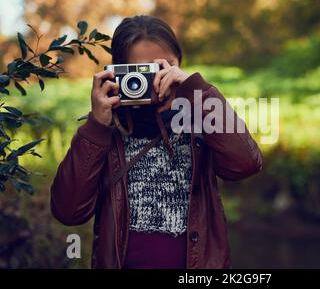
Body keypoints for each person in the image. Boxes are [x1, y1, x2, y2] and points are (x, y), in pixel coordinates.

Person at [50, 15, 263, 269]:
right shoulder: (106, 131)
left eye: (162, 68)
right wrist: (96, 126)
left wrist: (197, 91)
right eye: (139, 72)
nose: (153, 81)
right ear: (117, 73)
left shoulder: (199, 120)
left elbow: (246, 163)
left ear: (179, 65)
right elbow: (68, 211)